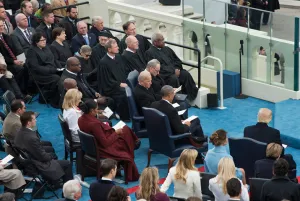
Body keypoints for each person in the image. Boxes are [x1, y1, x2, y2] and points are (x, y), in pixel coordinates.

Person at [78, 99, 140, 181]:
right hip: (102, 149)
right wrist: (116, 133)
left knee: (125, 129)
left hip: (92, 146)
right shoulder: (94, 124)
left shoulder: (80, 119)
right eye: (96, 109)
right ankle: (134, 144)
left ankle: (133, 143)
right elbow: (105, 143)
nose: (97, 110)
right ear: (91, 110)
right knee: (125, 138)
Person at [14, 111, 73, 183]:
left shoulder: (20, 131)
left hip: (30, 160)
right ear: (28, 123)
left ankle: (55, 180)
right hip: (38, 164)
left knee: (51, 152)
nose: (36, 120)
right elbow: (43, 157)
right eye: (34, 119)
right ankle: (68, 185)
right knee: (67, 163)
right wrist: (51, 156)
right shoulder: (32, 137)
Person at [145, 33, 198, 100]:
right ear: (155, 42)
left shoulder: (167, 49)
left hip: (174, 72)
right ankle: (177, 99)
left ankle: (190, 97)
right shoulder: (149, 53)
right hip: (165, 76)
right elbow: (158, 69)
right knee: (174, 78)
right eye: (161, 40)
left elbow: (177, 61)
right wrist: (173, 71)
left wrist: (177, 69)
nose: (164, 41)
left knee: (185, 74)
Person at [97, 38, 130, 121]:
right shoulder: (103, 62)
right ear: (109, 49)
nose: (118, 48)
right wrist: (119, 84)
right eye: (115, 47)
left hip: (122, 83)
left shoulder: (118, 57)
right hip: (111, 88)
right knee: (124, 94)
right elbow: (106, 80)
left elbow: (124, 71)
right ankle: (124, 116)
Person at [26, 32, 61, 105]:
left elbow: (53, 59)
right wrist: (51, 70)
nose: (44, 41)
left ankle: (60, 97)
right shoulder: (31, 51)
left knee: (63, 74)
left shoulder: (46, 47)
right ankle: (52, 99)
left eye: (45, 39)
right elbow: (36, 67)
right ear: (36, 42)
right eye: (42, 40)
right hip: (39, 75)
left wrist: (59, 68)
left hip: (51, 70)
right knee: (57, 78)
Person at [0, 20, 25, 90]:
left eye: (2, 26)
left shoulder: (6, 37)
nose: (1, 28)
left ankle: (27, 89)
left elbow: (15, 49)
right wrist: (13, 61)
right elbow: (2, 57)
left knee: (27, 64)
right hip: (6, 63)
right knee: (20, 69)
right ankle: (21, 90)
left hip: (15, 60)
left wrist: (20, 58)